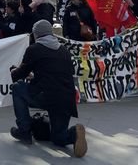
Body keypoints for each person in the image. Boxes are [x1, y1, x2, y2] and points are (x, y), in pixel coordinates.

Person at [10, 20, 87, 158]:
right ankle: (74, 133)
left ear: (36, 34)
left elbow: (19, 75)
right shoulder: (64, 50)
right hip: (66, 99)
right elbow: (58, 74)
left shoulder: (34, 49)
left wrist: (13, 71)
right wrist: (36, 76)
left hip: (46, 95)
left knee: (17, 88)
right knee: (58, 138)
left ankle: (24, 131)